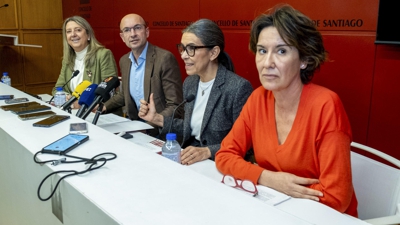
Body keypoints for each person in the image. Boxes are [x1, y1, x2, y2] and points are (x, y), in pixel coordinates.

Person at [215, 4, 358, 217]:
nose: (267, 63)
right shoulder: (257, 99)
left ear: (304, 59)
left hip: (323, 218)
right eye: (262, 51)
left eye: (281, 51)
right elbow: (224, 156)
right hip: (275, 210)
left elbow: (337, 197)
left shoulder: (326, 105)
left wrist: (274, 186)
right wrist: (269, 178)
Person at [138, 19, 253, 165]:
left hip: (219, 165)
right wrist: (156, 118)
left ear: (213, 53)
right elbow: (190, 127)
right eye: (182, 48)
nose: (184, 55)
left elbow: (246, 144)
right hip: (190, 161)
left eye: (191, 48)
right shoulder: (190, 83)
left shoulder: (238, 88)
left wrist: (207, 151)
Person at [103, 14, 183, 134]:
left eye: (137, 28)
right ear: (122, 37)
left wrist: (148, 126)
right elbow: (124, 95)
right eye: (127, 30)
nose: (133, 34)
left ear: (147, 32)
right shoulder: (124, 61)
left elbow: (176, 106)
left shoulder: (164, 59)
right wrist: (103, 107)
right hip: (135, 127)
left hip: (161, 132)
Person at [53, 16, 118, 109]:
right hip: (75, 111)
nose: (73, 34)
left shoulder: (103, 55)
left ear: (88, 35)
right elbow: (58, 88)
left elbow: (110, 91)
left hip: (98, 113)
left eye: (78, 30)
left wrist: (79, 103)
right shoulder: (67, 60)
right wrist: (67, 97)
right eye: (68, 31)